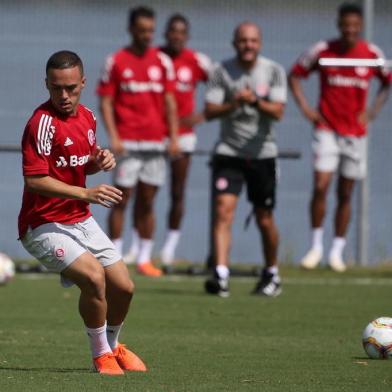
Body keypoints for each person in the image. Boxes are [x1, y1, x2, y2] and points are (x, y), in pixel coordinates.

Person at [18, 50, 147, 375]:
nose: (64, 95)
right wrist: (85, 193)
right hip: (42, 224)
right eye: (56, 88)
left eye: (71, 88)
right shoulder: (40, 124)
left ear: (83, 84)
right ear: (46, 84)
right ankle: (100, 354)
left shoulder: (88, 117)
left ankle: (114, 346)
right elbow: (35, 181)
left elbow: (78, 165)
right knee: (94, 278)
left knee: (124, 287)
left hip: (78, 219)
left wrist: (98, 162)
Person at [289, 2, 391, 272]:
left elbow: (387, 80)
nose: (350, 30)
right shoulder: (323, 51)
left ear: (360, 27)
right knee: (321, 185)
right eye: (345, 25)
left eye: (355, 25)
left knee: (346, 192)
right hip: (327, 130)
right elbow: (295, 75)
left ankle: (337, 251)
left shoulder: (371, 53)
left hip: (355, 134)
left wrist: (373, 111)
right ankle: (315, 247)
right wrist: (306, 109)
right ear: (339, 25)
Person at [203, 22, 287, 297]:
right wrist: (235, 103)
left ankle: (272, 273)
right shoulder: (221, 71)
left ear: (259, 43)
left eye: (253, 40)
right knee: (223, 209)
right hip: (229, 152)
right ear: (234, 43)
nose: (248, 45)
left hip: (263, 154)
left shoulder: (273, 71)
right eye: (243, 40)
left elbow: (278, 112)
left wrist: (254, 102)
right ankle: (221, 275)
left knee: (264, 218)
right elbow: (211, 110)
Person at [97, 6, 179, 277]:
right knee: (121, 198)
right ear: (131, 29)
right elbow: (106, 101)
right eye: (142, 30)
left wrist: (174, 136)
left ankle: (144, 258)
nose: (147, 35)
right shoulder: (116, 61)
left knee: (148, 201)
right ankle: (114, 256)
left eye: (151, 31)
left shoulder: (162, 61)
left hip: (155, 144)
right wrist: (114, 136)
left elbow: (169, 101)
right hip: (127, 144)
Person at [155, 14, 211, 272]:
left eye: (181, 32)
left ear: (186, 36)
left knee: (178, 191)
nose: (176, 36)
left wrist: (204, 114)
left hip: (184, 134)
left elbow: (222, 83)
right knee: (144, 192)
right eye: (172, 31)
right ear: (166, 33)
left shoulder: (196, 61)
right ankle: (136, 248)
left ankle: (168, 248)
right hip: (154, 132)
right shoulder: (155, 57)